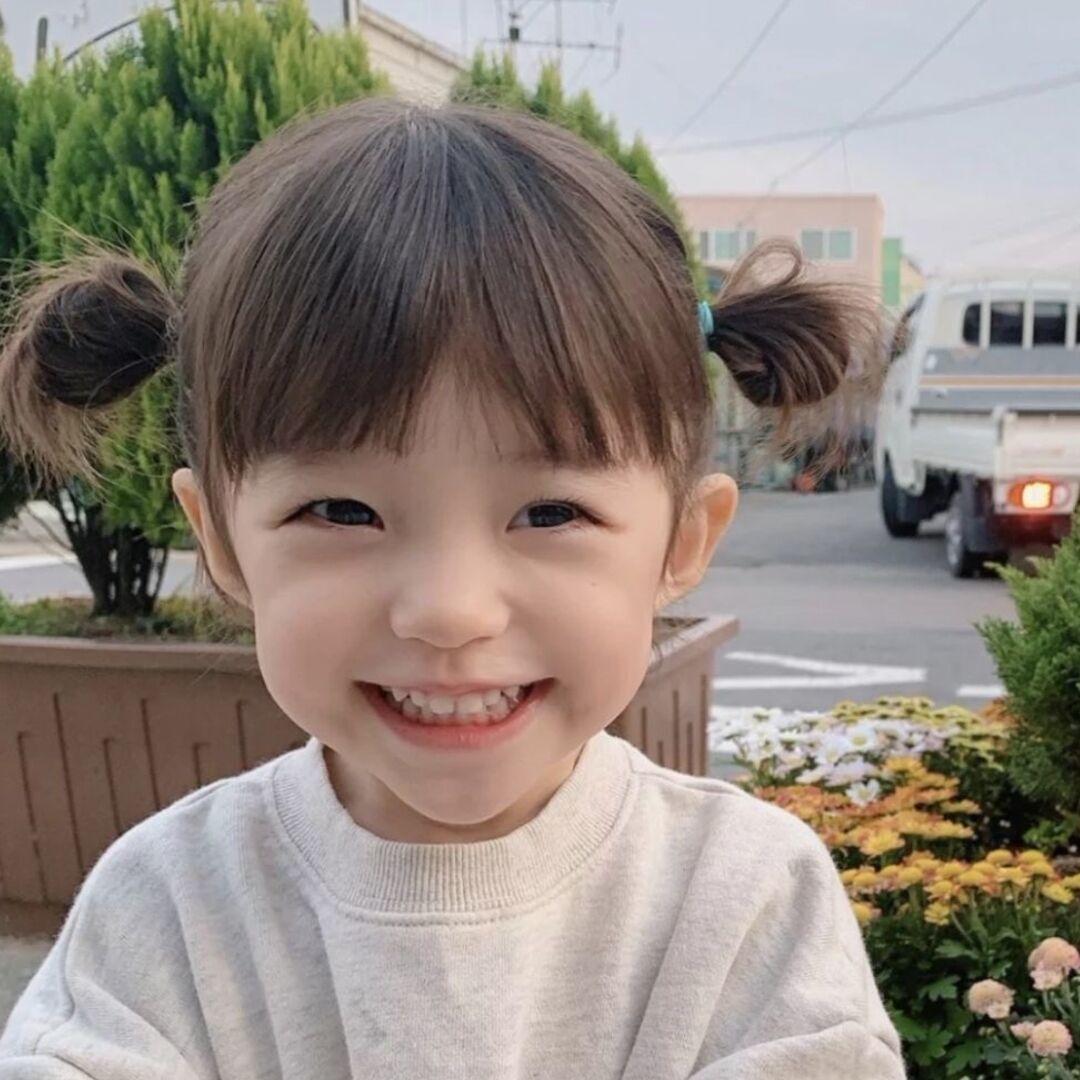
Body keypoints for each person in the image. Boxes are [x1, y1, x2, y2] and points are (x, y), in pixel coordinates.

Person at [0, 97, 903, 1078]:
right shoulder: (165, 910)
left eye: (549, 512)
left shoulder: (747, 899)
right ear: (218, 539)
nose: (449, 610)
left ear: (683, 540)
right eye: (342, 511)